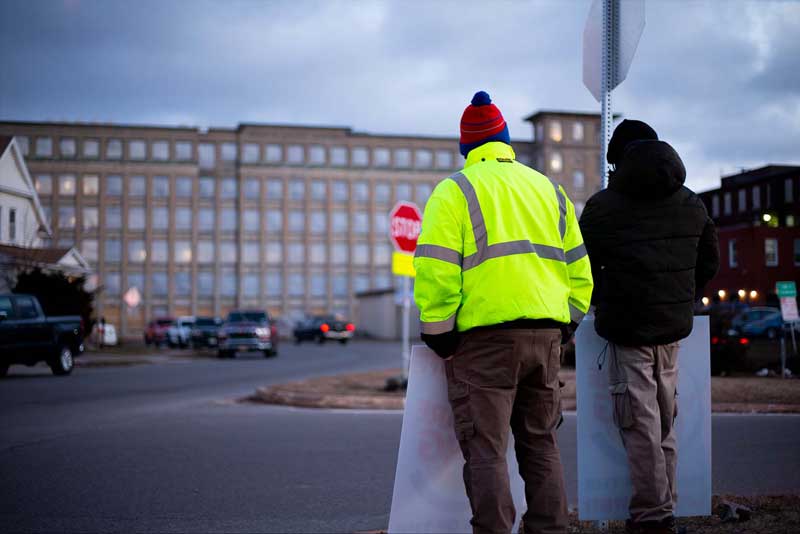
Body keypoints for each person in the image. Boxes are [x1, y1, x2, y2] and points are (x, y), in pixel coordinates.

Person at [413, 90, 593, 534]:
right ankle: (550, 530)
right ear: (507, 140)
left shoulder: (455, 190)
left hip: (485, 343)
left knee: (487, 449)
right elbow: (580, 270)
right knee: (540, 443)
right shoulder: (549, 189)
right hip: (547, 337)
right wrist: (567, 322)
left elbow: (436, 270)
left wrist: (439, 333)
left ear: (466, 147)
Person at [579, 119, 719, 534]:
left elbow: (581, 267)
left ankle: (653, 517)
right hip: (673, 330)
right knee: (664, 421)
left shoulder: (603, 207)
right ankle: (666, 506)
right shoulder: (691, 203)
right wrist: (680, 295)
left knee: (639, 424)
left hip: (628, 331)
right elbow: (708, 263)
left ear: (618, 160)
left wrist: (604, 297)